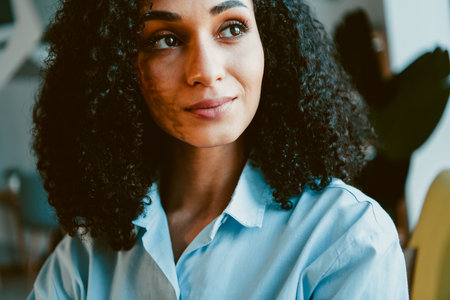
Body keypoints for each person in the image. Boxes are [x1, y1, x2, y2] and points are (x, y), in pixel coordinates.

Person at [29, 0, 409, 299]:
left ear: (270, 44)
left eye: (232, 28)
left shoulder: (348, 238)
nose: (206, 70)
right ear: (116, 67)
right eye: (166, 39)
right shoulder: (85, 257)